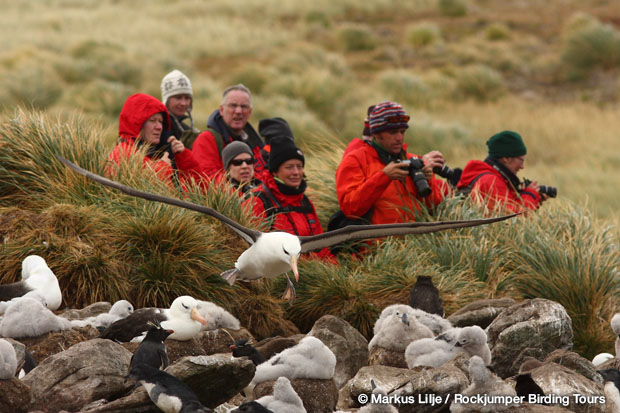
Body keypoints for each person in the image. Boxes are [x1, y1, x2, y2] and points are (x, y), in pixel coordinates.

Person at [336, 101, 448, 225]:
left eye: (402, 131)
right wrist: (384, 177)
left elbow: (433, 209)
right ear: (376, 134)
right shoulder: (355, 160)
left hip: (414, 241)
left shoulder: (414, 160)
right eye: (393, 132)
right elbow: (350, 209)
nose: (399, 137)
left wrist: (429, 181)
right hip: (377, 242)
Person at [245, 136, 333, 260]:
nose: (296, 172)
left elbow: (322, 249)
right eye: (289, 167)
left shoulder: (304, 202)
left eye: (299, 166)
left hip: (310, 274)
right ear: (275, 171)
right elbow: (250, 251)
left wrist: (332, 273)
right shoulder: (258, 202)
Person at [108, 93, 201, 186]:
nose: (159, 127)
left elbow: (201, 190)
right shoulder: (123, 154)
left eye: (161, 121)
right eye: (152, 120)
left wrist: (183, 157)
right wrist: (162, 168)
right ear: (137, 123)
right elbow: (134, 194)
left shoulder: (159, 155)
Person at [456, 130, 547, 213]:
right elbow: (512, 219)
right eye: (521, 160)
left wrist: (534, 199)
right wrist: (530, 195)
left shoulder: (496, 178)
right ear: (506, 158)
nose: (522, 167)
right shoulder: (490, 181)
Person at [192, 84, 267, 178]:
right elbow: (207, 181)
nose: (239, 111)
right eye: (233, 105)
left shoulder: (256, 143)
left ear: (250, 112)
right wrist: (248, 190)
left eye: (244, 106)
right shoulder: (207, 140)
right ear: (221, 110)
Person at [160, 69, 201, 149]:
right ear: (166, 100)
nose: (183, 103)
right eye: (178, 98)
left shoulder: (186, 128)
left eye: (187, 98)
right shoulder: (159, 128)